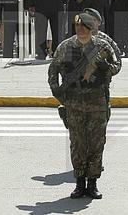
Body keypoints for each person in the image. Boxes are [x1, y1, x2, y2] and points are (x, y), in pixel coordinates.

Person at [48, 11, 121, 199]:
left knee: (97, 144)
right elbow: (53, 69)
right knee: (78, 144)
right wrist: (57, 92)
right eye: (77, 26)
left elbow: (117, 65)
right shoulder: (66, 46)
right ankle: (80, 182)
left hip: (97, 102)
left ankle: (93, 183)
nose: (79, 29)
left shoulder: (102, 46)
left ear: (90, 27)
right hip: (74, 104)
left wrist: (107, 68)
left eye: (82, 26)